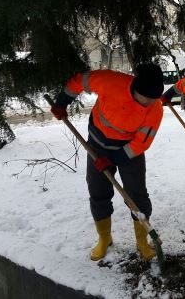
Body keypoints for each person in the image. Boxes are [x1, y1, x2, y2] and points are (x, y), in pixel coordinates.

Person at [50, 63, 163, 262]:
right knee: (98, 191)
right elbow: (80, 81)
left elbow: (140, 144)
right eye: (146, 97)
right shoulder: (111, 82)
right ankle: (104, 238)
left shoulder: (155, 108)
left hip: (129, 152)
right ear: (135, 87)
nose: (149, 102)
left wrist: (113, 159)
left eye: (153, 98)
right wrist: (62, 102)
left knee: (136, 195)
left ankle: (142, 241)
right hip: (96, 144)